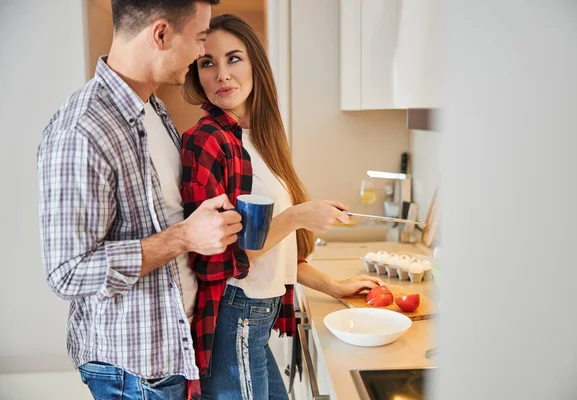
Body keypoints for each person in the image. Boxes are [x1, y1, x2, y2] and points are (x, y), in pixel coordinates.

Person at [181, 14, 384, 399]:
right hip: (235, 312)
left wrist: (335, 285)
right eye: (208, 63)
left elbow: (273, 248)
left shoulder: (260, 138)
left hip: (258, 315)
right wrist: (298, 216)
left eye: (233, 59)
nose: (221, 74)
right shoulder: (206, 141)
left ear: (256, 65)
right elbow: (219, 258)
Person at [36, 1, 231, 399]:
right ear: (160, 34)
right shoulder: (83, 130)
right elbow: (67, 272)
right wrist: (184, 237)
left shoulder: (151, 109)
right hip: (134, 374)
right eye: (197, 39)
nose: (199, 53)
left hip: (171, 358)